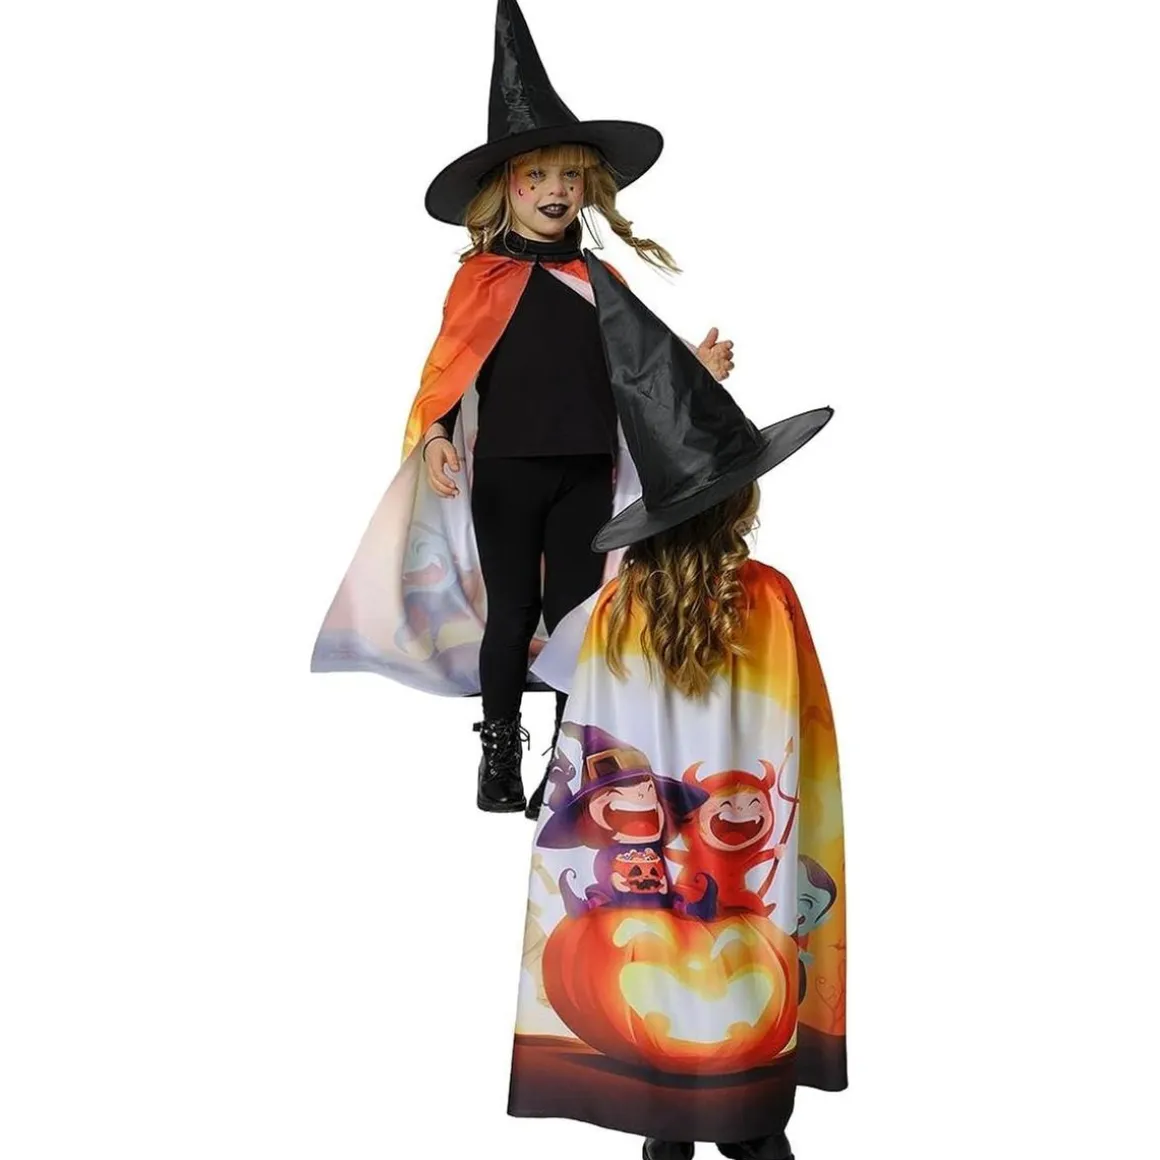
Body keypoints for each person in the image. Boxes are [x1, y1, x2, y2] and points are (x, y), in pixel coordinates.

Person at [312, 0, 735, 816]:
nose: (554, 190)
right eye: (535, 176)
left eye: (569, 177)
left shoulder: (598, 280)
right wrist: (438, 434)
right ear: (505, 187)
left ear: (588, 188)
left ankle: (569, 765)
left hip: (586, 468)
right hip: (507, 469)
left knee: (579, 619)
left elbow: (642, 362)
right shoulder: (481, 279)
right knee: (511, 613)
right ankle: (499, 755)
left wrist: (697, 368)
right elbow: (448, 370)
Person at [508, 256, 846, 1157]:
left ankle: (669, 1128)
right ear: (741, 499)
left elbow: (572, 707)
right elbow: (803, 741)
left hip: (640, 909)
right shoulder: (768, 597)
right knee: (747, 1087)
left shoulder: (615, 608)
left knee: (659, 1069)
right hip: (742, 896)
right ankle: (748, 1127)